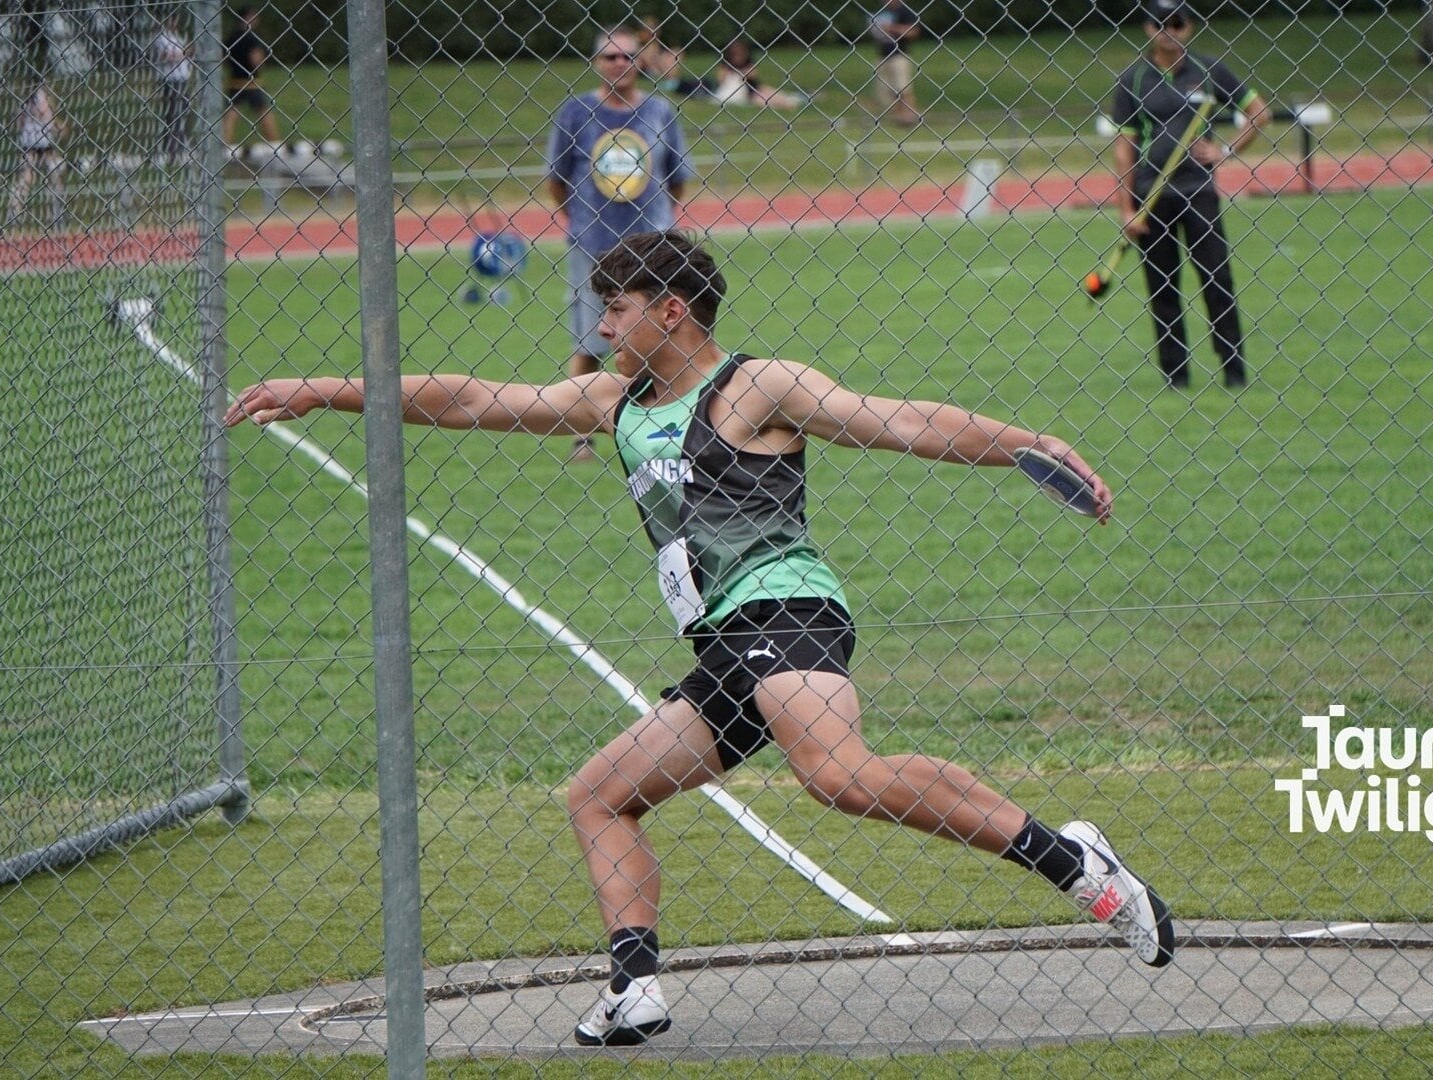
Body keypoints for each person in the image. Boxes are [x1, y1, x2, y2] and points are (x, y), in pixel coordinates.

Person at [224, 229, 1175, 1049]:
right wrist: (322, 389)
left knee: (837, 776)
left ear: (671, 311)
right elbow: (471, 399)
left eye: (617, 310)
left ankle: (1075, 862)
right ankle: (635, 988)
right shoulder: (615, 403)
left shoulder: (754, 386)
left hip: (789, 609)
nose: (601, 327)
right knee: (600, 797)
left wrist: (1026, 443)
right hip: (726, 645)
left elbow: (902, 422)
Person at [547, 26, 695, 460]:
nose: (619, 64)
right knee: (591, 340)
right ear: (597, 62)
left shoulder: (659, 112)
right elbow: (557, 180)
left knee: (670, 334)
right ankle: (580, 436)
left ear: (639, 63)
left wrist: (658, 223)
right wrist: (580, 219)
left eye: (628, 57)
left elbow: (676, 177)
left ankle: (675, 424)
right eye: (610, 57)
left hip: (654, 250)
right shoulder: (576, 113)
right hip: (594, 245)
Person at [1110, 0, 1268, 390]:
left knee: (1217, 280)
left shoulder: (1210, 70)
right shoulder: (1132, 80)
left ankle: (1234, 369)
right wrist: (1127, 207)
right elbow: (1124, 149)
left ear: (1189, 27)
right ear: (1148, 29)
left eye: (1177, 23)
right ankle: (1175, 376)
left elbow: (1259, 113)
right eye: (1160, 23)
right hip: (1152, 196)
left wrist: (1226, 151)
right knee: (1163, 288)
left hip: (1199, 193)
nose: (1169, 30)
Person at [7, 80, 66, 226]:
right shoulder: (35, 106)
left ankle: (57, 213)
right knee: (27, 177)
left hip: (43, 144)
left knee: (53, 176)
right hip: (32, 144)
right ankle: (15, 211)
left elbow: (55, 126)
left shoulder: (37, 106)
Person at [223, 5, 282, 150]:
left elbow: (223, 57)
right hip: (252, 81)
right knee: (263, 112)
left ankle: (224, 143)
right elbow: (256, 60)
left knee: (232, 113)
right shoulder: (251, 38)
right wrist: (261, 64)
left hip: (235, 80)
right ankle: (275, 143)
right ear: (248, 18)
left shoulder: (232, 37)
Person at [868, 0, 922, 126]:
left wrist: (892, 28)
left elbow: (914, 31)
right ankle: (899, 116)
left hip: (899, 55)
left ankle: (910, 115)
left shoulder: (904, 11)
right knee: (887, 90)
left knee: (903, 88)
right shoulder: (881, 12)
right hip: (883, 55)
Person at [711, 39, 805, 110]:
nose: (739, 56)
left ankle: (791, 100)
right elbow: (721, 79)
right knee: (762, 100)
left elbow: (753, 74)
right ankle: (784, 105)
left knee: (772, 92)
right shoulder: (725, 63)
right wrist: (736, 74)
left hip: (754, 87)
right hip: (745, 93)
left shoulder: (748, 61)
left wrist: (740, 73)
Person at [151, 14, 194, 161]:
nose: (173, 22)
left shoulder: (177, 36)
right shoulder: (161, 38)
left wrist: (184, 52)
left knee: (183, 112)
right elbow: (167, 56)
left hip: (182, 78)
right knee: (173, 114)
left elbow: (186, 51)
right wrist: (184, 52)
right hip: (171, 79)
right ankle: (172, 148)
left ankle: (181, 145)